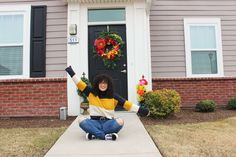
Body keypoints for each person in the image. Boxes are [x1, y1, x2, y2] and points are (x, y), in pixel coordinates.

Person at [65, 66, 149, 141]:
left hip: (108, 123)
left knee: (120, 121)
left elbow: (128, 104)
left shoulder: (113, 96)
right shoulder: (91, 93)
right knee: (81, 120)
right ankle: (104, 136)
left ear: (108, 85)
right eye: (101, 83)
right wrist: (71, 72)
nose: (103, 85)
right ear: (97, 84)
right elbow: (80, 84)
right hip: (94, 122)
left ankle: (94, 134)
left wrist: (142, 110)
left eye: (105, 83)